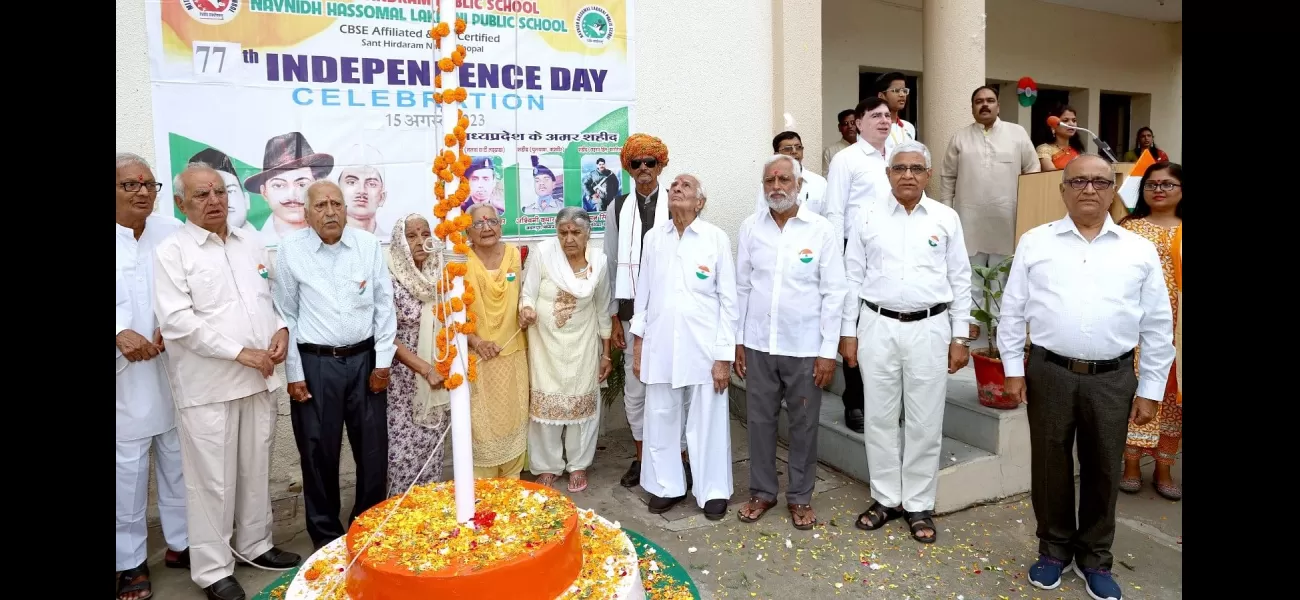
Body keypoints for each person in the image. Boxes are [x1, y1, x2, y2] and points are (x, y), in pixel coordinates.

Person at [998, 154, 1174, 600]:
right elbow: (1012, 312)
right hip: (1049, 371)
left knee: (1102, 468)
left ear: (1114, 190)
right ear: (1063, 190)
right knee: (1050, 465)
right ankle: (1053, 549)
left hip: (1113, 378)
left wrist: (1151, 387)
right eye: (1078, 182)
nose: (1089, 189)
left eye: (1099, 181)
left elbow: (1157, 324)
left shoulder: (1138, 249)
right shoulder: (1036, 242)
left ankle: (1095, 557)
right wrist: (1014, 371)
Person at [154, 162, 300, 600]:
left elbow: (268, 296)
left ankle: (255, 545)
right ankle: (213, 569)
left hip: (258, 379)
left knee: (255, 469)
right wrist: (240, 352)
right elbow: (177, 322)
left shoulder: (249, 240)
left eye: (219, 191)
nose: (214, 200)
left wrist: (279, 330)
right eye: (202, 194)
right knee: (211, 482)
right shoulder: (173, 252)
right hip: (209, 387)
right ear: (181, 204)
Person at [840, 141, 972, 545]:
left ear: (928, 175)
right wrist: (848, 332)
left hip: (930, 328)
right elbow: (852, 278)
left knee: (925, 421)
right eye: (900, 168)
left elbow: (961, 278)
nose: (908, 175)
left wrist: (960, 335)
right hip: (876, 325)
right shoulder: (866, 217)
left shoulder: (946, 218)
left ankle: (917, 503)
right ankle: (884, 498)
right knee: (879, 417)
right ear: (888, 174)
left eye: (916, 168)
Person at [273, 180, 397, 551]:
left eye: (336, 204)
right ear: (306, 213)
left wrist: (384, 363)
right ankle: (326, 538)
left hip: (365, 361)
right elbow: (286, 315)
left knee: (373, 450)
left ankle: (368, 527)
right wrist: (293, 373)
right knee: (317, 453)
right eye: (321, 206)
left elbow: (383, 306)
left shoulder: (368, 245)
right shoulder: (290, 250)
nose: (330, 212)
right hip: (316, 365)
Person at [734, 155, 845, 529]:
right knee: (760, 422)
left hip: (804, 346)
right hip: (759, 344)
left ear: (799, 185)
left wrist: (827, 352)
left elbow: (834, 293)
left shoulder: (821, 230)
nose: (776, 186)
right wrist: (737, 342)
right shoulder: (750, 228)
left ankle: (800, 497)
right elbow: (743, 287)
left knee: (804, 424)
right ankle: (763, 492)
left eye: (784, 179)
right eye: (769, 180)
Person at [630, 174, 736, 519]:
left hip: (704, 347)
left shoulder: (715, 238)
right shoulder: (653, 238)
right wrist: (638, 344)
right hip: (660, 344)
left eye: (686, 186)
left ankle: (713, 490)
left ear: (700, 202)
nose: (677, 188)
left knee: (707, 419)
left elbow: (728, 300)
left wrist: (724, 355)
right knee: (660, 416)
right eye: (674, 185)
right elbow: (643, 295)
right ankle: (666, 485)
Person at [116, 152, 188, 600]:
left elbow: (188, 285)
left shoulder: (170, 233)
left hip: (171, 365)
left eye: (150, 185)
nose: (143, 192)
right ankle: (129, 562)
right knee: (129, 471)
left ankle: (182, 545)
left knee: (179, 460)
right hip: (124, 379)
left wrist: (172, 321)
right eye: (131, 185)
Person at [605, 133, 689, 489]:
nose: (643, 169)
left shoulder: (678, 203)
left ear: (661, 165)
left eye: (650, 163)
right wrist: (613, 319)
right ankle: (642, 459)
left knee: (676, 388)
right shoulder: (617, 206)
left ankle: (681, 458)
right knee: (636, 392)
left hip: (670, 314)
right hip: (630, 312)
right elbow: (611, 263)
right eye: (636, 163)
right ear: (628, 168)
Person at [520, 206, 613, 492]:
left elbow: (603, 307)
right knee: (545, 406)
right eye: (563, 232)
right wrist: (527, 309)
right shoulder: (543, 254)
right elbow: (528, 292)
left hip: (583, 344)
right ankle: (547, 466)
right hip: (545, 345)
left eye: (576, 232)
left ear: (588, 234)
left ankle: (578, 465)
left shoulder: (599, 261)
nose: (569, 238)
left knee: (581, 404)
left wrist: (606, 353)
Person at [938, 85, 1041, 338]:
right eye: (978, 101)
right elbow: (947, 177)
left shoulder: (1017, 134)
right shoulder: (960, 137)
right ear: (972, 107)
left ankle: (998, 323)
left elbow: (1033, 169)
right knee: (968, 273)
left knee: (1003, 275)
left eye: (990, 100)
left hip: (1007, 218)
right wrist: (946, 213)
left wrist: (1028, 211)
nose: (984, 105)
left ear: (998, 105)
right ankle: (970, 320)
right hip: (968, 217)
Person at [823, 97, 895, 433]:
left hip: (893, 252)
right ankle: (855, 401)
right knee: (854, 322)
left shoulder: (900, 153)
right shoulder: (846, 159)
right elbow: (835, 210)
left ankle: (888, 400)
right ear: (859, 123)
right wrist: (836, 257)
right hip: (854, 251)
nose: (884, 120)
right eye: (875, 116)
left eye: (887, 115)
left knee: (886, 323)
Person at [1117, 162, 1183, 501]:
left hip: (1179, 330)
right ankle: (1130, 465)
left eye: (1168, 184)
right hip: (1139, 329)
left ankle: (1164, 467)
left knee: (1172, 396)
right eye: (1152, 184)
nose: (1159, 190)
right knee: (1139, 389)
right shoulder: (1129, 228)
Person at [383, 213, 450, 495]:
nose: (421, 241)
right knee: (402, 453)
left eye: (425, 234)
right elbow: (386, 335)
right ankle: (400, 513)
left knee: (431, 448)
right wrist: (424, 368)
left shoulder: (440, 273)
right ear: (400, 242)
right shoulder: (389, 277)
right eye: (411, 236)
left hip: (437, 370)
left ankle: (427, 513)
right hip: (404, 376)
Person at [465, 203, 531, 479]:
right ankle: (483, 480)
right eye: (479, 223)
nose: (487, 228)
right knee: (482, 420)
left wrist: (526, 311)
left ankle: (513, 477)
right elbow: (452, 312)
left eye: (492, 221)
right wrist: (477, 342)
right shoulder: (459, 260)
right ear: (468, 231)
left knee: (514, 413)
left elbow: (524, 294)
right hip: (478, 355)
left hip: (513, 350)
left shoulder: (515, 255)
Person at [243, 132, 335, 246]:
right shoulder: (252, 245)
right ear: (264, 192)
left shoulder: (334, 238)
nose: (292, 195)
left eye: (302, 184)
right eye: (279, 185)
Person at [752, 132, 828, 216]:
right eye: (788, 149)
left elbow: (828, 215)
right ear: (777, 155)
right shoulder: (770, 184)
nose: (794, 151)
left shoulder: (819, 182)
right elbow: (761, 215)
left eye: (798, 147)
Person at [189, 148, 256, 235]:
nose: (217, 200)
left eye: (230, 191)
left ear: (246, 200)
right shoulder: (180, 246)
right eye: (204, 194)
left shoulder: (261, 245)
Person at [338, 144, 391, 240]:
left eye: (371, 184)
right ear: (337, 193)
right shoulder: (327, 244)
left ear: (382, 197)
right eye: (351, 182)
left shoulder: (391, 243)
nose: (361, 191)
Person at [876, 71, 918, 157]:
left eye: (904, 90)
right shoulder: (874, 126)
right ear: (881, 96)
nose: (902, 95)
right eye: (896, 91)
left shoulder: (909, 127)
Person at [1036, 105, 1085, 172]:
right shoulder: (1044, 149)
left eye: (1074, 120)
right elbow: (1052, 174)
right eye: (1065, 120)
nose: (1071, 124)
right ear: (1053, 125)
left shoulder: (1077, 150)